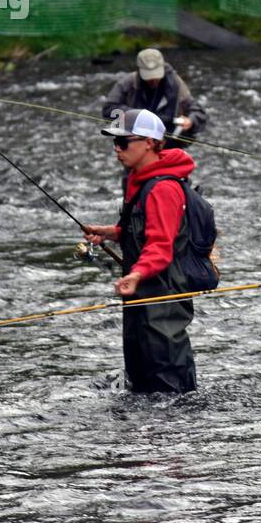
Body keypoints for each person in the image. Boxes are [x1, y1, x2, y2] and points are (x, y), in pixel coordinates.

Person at [82, 108, 199, 394]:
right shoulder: (143, 182)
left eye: (123, 143)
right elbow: (145, 232)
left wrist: (136, 275)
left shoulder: (163, 189)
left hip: (161, 302)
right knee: (142, 387)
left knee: (168, 393)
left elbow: (161, 245)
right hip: (142, 301)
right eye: (114, 143)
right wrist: (113, 233)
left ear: (148, 142)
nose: (116, 150)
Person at [100, 48, 207, 150]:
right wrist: (137, 115)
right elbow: (109, 109)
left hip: (169, 145)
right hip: (136, 147)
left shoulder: (176, 83)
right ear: (139, 71)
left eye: (156, 75)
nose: (154, 80)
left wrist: (190, 121)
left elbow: (198, 112)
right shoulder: (128, 83)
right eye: (149, 77)